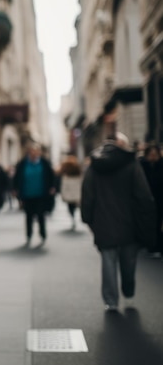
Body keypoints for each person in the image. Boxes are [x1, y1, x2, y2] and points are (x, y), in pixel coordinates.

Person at [81, 132, 157, 312]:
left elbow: (87, 194)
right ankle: (128, 289)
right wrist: (149, 216)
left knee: (108, 262)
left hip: (103, 220)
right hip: (129, 221)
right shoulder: (131, 164)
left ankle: (111, 300)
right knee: (128, 261)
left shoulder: (95, 166)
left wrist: (87, 218)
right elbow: (143, 194)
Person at [12, 143, 56, 246]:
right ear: (29, 152)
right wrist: (15, 189)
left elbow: (51, 176)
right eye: (32, 151)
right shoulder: (23, 163)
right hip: (27, 195)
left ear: (39, 152)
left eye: (36, 151)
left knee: (41, 215)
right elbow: (17, 177)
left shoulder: (44, 163)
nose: (34, 153)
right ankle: (29, 235)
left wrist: (52, 187)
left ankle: (42, 234)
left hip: (41, 194)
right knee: (28, 216)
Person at [140, 143, 163, 257]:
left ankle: (158, 245)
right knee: (148, 223)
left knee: (158, 223)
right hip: (146, 200)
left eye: (155, 154)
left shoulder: (161, 165)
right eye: (151, 154)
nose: (153, 157)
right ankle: (149, 244)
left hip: (159, 199)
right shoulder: (142, 166)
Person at [57, 154, 83, 230]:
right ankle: (74, 216)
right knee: (74, 205)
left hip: (70, 189)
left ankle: (73, 216)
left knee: (70, 206)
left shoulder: (66, 169)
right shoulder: (76, 168)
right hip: (75, 189)